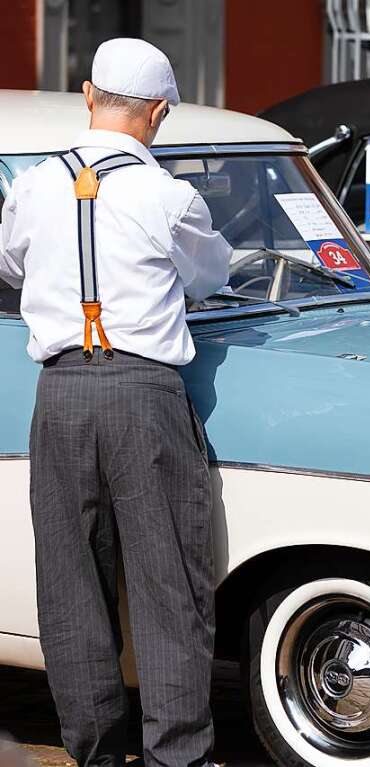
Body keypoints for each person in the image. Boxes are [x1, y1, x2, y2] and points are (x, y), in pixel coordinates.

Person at [0, 38, 231, 767]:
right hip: (144, 394)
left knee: (70, 585)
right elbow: (210, 277)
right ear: (159, 111)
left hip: (60, 392)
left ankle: (94, 753)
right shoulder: (170, 196)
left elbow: (11, 263)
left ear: (87, 93)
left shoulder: (32, 186)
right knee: (169, 584)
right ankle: (175, 755)